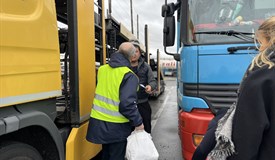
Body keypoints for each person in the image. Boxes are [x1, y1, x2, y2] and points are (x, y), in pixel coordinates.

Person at [206, 16, 275, 160]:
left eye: (260, 43)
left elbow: (245, 142)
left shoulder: (261, 78)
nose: (259, 49)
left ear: (270, 41)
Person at [86, 42, 144, 160]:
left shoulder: (102, 70)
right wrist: (138, 123)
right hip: (117, 127)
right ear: (132, 57)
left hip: (99, 122)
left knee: (106, 155)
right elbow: (127, 104)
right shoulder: (129, 75)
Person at [129, 39, 157, 134]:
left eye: (136, 51)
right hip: (127, 106)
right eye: (131, 51)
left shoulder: (146, 66)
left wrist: (150, 86)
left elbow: (153, 81)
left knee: (146, 131)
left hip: (143, 105)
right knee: (128, 133)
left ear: (140, 53)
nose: (134, 54)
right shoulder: (123, 66)